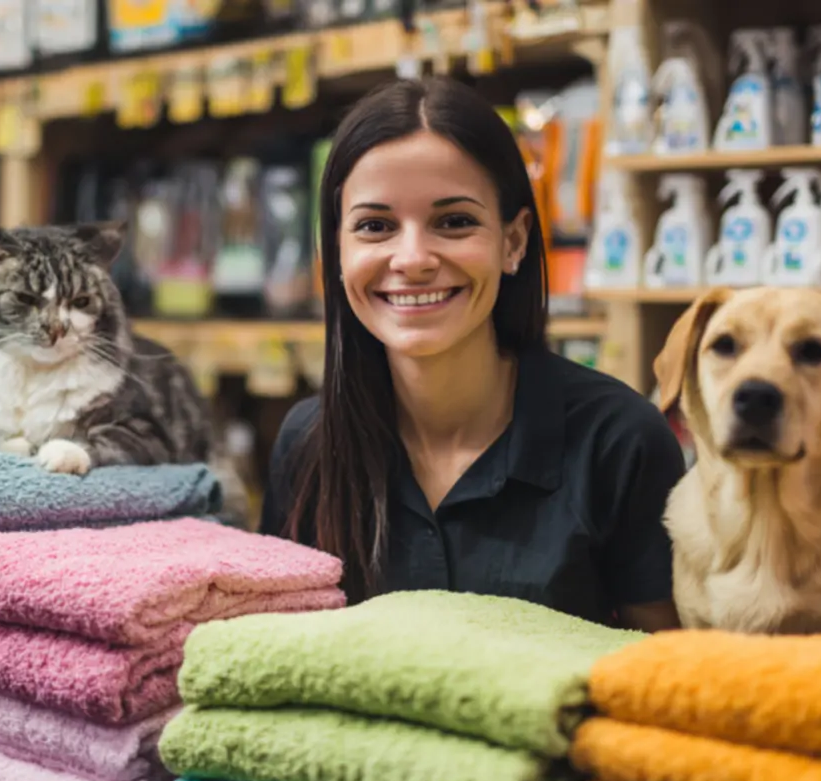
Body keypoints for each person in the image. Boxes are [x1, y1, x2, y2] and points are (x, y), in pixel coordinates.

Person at [259, 77, 684, 631]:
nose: (412, 258)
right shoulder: (308, 442)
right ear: (336, 252)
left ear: (514, 241)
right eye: (375, 226)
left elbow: (664, 669)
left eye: (454, 222)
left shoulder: (620, 440)